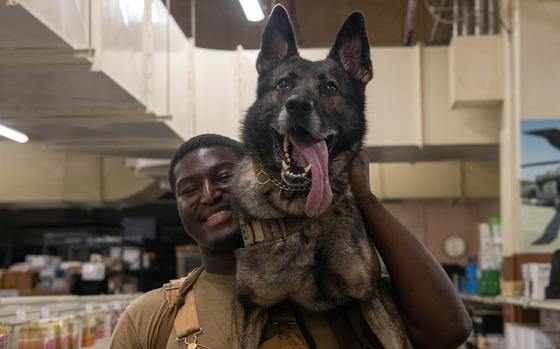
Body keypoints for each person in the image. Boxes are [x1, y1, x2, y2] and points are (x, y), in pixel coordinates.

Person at [109, 134, 472, 349]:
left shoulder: (332, 288)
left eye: (225, 176)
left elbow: (448, 330)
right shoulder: (152, 317)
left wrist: (362, 197)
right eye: (188, 189)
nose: (209, 194)